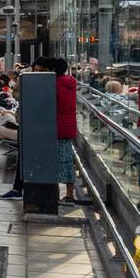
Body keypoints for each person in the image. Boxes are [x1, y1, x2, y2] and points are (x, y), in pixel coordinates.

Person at [53, 57, 83, 205]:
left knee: (56, 161)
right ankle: (69, 194)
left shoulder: (55, 84)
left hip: (56, 127)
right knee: (67, 161)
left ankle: (58, 194)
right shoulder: (70, 82)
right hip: (68, 126)